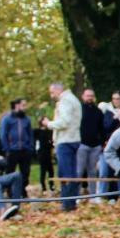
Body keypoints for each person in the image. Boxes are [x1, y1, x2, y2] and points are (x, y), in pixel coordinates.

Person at [42, 82, 81, 211]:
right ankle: (71, 202)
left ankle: (67, 204)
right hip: (73, 139)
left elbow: (64, 122)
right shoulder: (73, 99)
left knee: (65, 174)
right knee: (71, 173)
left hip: (65, 141)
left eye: (52, 92)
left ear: (58, 90)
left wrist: (48, 123)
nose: (51, 95)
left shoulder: (65, 101)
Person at [77, 89, 106, 200]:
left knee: (92, 171)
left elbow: (102, 128)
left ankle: (93, 195)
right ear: (83, 96)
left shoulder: (98, 112)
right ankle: (77, 195)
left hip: (95, 146)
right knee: (79, 171)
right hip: (82, 144)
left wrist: (102, 142)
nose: (89, 98)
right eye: (87, 96)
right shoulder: (79, 110)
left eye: (91, 96)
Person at [0, 98, 34, 188]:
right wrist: (7, 149)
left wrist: (30, 147)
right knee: (10, 172)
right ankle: (10, 192)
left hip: (25, 150)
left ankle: (23, 191)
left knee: (25, 172)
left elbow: (30, 134)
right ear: (17, 105)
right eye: (23, 105)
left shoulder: (27, 119)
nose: (25, 107)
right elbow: (3, 134)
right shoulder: (7, 119)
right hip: (12, 150)